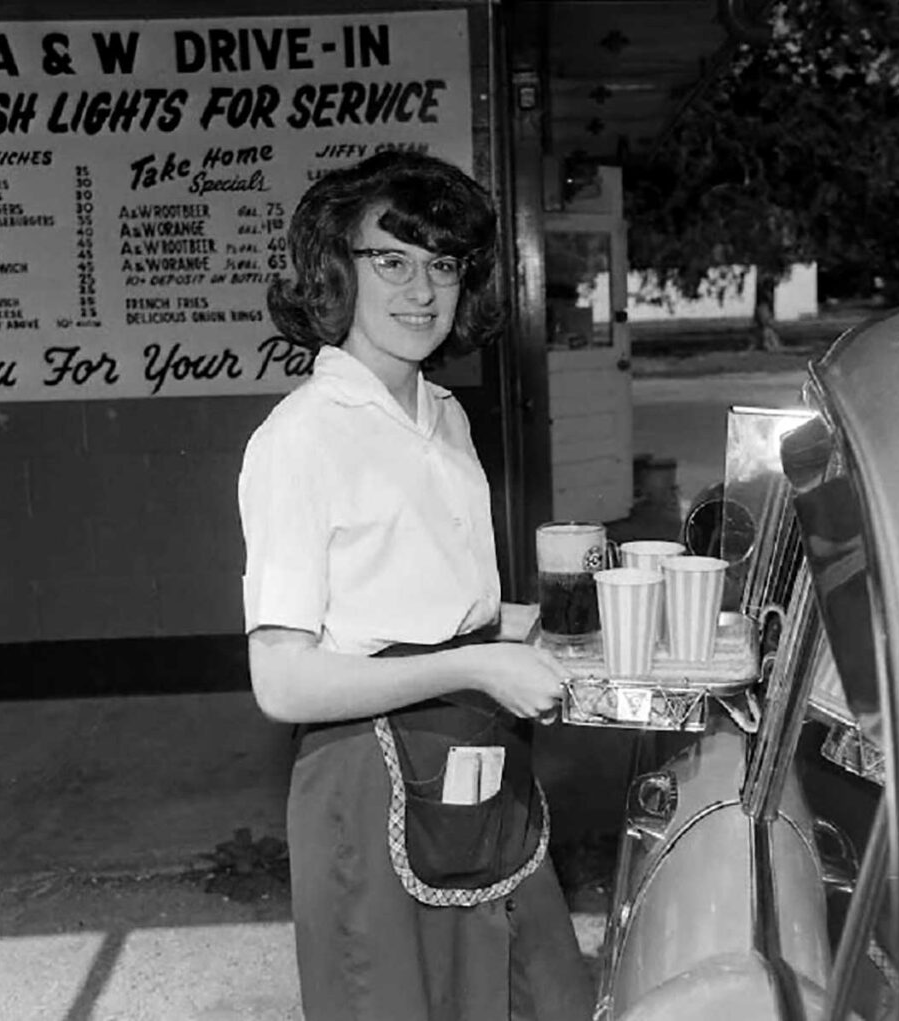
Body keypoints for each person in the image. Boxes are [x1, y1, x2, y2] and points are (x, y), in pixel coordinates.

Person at [237, 150, 594, 1021]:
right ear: (333, 268)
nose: (422, 289)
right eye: (390, 260)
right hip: (368, 777)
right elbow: (283, 678)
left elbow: (421, 603)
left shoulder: (445, 415)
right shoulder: (302, 437)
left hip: (475, 751)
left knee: (533, 994)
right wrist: (475, 667)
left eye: (443, 264)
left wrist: (533, 626)